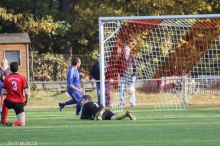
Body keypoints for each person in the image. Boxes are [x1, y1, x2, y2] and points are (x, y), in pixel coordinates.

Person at [1, 62, 29, 126]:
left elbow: (2, 93)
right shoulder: (22, 78)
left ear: (10, 69)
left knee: (5, 104)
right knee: (22, 123)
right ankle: (11, 124)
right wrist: (26, 102)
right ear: (17, 69)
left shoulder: (7, 78)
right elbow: (27, 93)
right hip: (19, 103)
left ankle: (3, 122)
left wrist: (9, 92)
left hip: (9, 101)